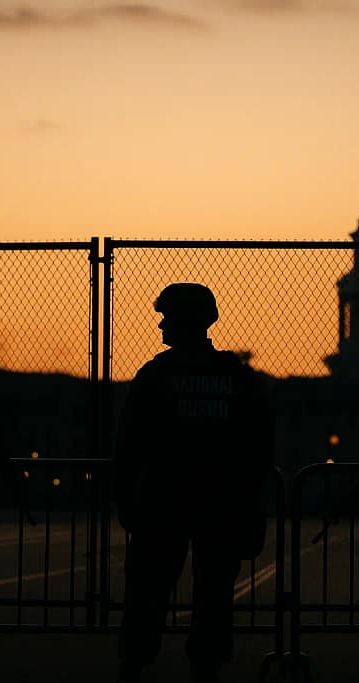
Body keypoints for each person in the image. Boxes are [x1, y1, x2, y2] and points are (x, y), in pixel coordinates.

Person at [114, 283, 273, 683]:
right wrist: (253, 505)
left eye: (167, 317)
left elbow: (130, 441)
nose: (162, 325)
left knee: (148, 591)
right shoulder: (236, 376)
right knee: (215, 594)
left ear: (182, 321)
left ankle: (134, 662)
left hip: (163, 499)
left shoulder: (156, 375)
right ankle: (206, 665)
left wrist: (126, 497)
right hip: (222, 501)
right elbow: (257, 446)